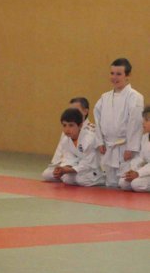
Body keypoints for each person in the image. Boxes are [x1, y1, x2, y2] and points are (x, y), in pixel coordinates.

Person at [94, 58, 145, 187]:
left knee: (124, 183)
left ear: (127, 75)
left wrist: (131, 148)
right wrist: (100, 141)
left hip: (125, 147)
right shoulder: (104, 97)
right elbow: (97, 119)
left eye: (118, 74)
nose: (114, 77)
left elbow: (136, 124)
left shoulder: (135, 97)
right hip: (109, 147)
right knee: (110, 183)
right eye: (112, 73)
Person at [41, 107, 104, 186]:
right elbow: (68, 158)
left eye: (71, 125)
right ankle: (68, 175)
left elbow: (87, 163)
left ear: (80, 125)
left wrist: (68, 170)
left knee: (80, 180)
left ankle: (101, 178)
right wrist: (62, 169)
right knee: (47, 174)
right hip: (75, 167)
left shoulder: (89, 139)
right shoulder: (65, 140)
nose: (67, 129)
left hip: (93, 168)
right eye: (64, 125)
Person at [42, 97, 91, 180]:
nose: (72, 113)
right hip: (68, 164)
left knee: (71, 178)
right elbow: (62, 151)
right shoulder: (67, 130)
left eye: (76, 110)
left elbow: (88, 160)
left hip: (83, 167)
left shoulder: (91, 132)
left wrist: (68, 169)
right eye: (70, 110)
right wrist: (60, 167)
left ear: (85, 111)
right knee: (47, 174)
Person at [119, 106, 150, 192]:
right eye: (144, 119)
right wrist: (133, 170)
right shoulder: (145, 137)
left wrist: (138, 173)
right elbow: (141, 158)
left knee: (136, 184)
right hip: (146, 171)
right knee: (123, 182)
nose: (143, 122)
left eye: (147, 120)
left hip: (146, 171)